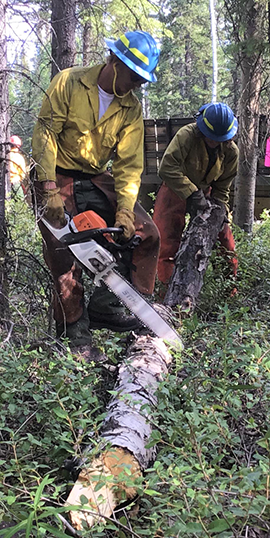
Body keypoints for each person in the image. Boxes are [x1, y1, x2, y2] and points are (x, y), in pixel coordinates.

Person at [31, 31, 161, 359]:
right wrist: (48, 188)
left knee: (147, 235)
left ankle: (116, 305)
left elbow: (129, 166)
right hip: (55, 171)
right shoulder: (69, 83)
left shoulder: (130, 108)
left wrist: (125, 212)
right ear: (114, 61)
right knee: (65, 253)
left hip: (94, 175)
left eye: (141, 81)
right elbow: (45, 133)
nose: (135, 85)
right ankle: (75, 340)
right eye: (133, 76)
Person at [152, 103, 239, 293]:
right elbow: (167, 167)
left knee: (225, 240)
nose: (215, 142)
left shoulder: (231, 151)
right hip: (175, 188)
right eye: (211, 138)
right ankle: (166, 294)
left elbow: (223, 186)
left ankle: (230, 291)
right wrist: (191, 193)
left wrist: (219, 209)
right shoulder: (186, 136)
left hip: (207, 193)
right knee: (166, 241)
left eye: (219, 139)